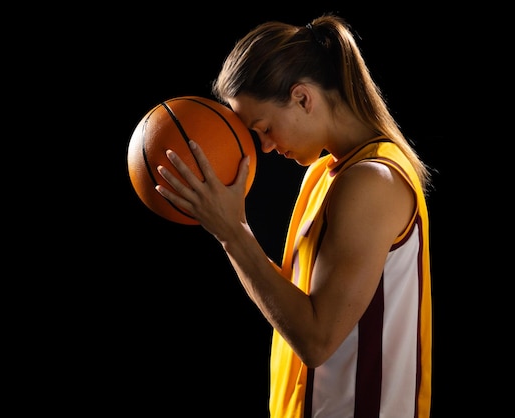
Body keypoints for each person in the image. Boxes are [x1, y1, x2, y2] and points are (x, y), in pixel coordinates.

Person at [155, 13, 433, 418]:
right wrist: (229, 228)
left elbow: (316, 339)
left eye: (264, 127)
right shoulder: (324, 174)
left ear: (302, 98)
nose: (265, 146)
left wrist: (232, 232)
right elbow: (293, 306)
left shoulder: (373, 181)